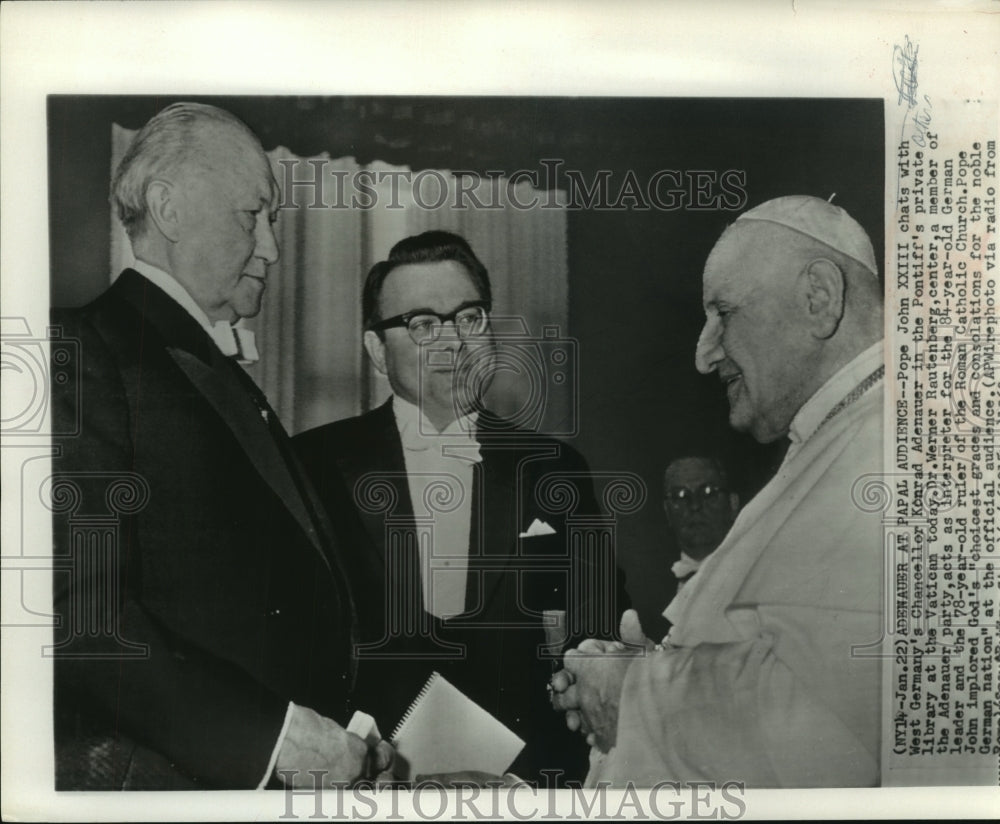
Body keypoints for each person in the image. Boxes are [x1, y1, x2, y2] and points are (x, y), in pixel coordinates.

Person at [49, 102, 391, 790]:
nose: (270, 247)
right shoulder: (82, 352)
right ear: (168, 210)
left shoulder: (197, 361)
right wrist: (272, 743)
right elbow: (78, 615)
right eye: (252, 215)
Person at [551, 195, 885, 787]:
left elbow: (835, 733)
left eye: (723, 313)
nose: (704, 356)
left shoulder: (888, 447)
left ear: (819, 298)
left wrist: (634, 690)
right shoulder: (836, 437)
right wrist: (653, 664)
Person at [295, 230, 628, 784]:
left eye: (468, 318)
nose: (452, 342)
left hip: (524, 793)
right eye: (423, 324)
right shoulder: (312, 466)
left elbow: (598, 640)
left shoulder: (555, 469)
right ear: (377, 350)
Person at [662, 455, 740, 590]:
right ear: (667, 511)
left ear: (733, 504)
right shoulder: (643, 590)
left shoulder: (761, 574)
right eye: (680, 495)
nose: (695, 505)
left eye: (708, 492)